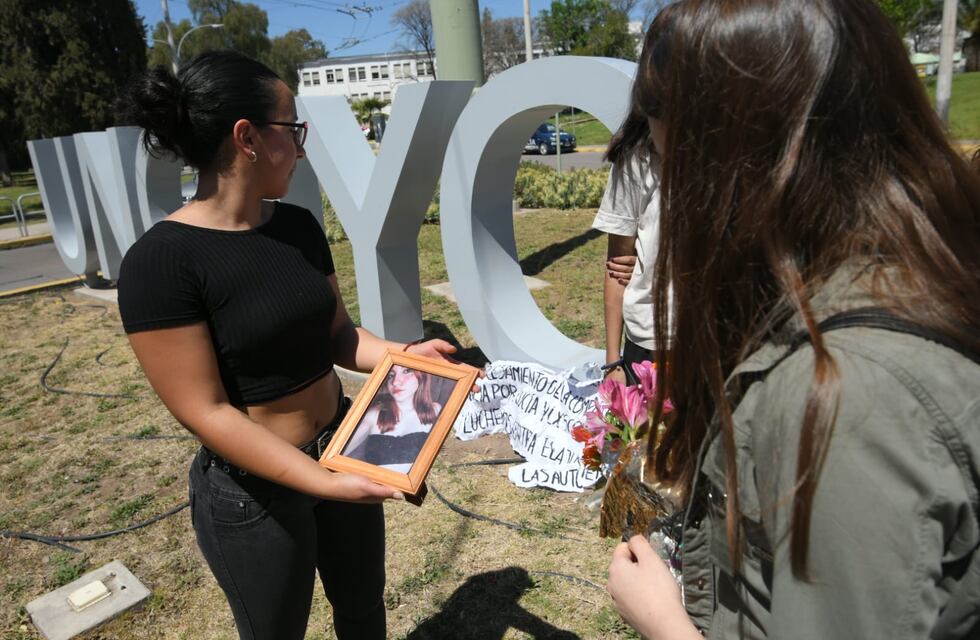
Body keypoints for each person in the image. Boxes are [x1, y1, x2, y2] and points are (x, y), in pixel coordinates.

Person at [606, 1, 980, 638]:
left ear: (739, 166)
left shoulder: (843, 398)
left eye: (678, 171)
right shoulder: (911, 279)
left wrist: (665, 624)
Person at [116, 51, 470, 640]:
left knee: (363, 610)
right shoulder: (160, 263)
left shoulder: (298, 225)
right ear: (247, 137)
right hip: (253, 495)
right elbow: (205, 412)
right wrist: (322, 483)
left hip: (344, 450)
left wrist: (401, 355)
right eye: (292, 129)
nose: (301, 147)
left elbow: (337, 334)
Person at [592, 110, 663, 385]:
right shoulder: (636, 161)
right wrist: (613, 362)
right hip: (649, 340)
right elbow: (616, 268)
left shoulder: (728, 158)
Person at [345, 366, 449, 473]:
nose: (395, 382)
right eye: (391, 375)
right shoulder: (374, 415)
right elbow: (340, 454)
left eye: (407, 371)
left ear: (421, 376)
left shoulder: (435, 410)